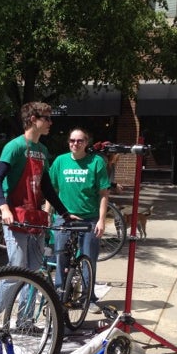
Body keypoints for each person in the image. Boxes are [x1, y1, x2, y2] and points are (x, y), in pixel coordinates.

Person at [0, 102, 70, 329]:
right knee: (17, 268)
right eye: (47, 118)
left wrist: (64, 212)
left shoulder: (42, 152)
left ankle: (25, 321)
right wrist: (4, 208)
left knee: (34, 273)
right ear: (33, 119)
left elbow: (46, 187)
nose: (51, 123)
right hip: (15, 216)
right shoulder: (14, 147)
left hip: (35, 219)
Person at [47, 128, 110, 314]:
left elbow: (104, 194)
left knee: (88, 260)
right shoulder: (60, 161)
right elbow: (52, 192)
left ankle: (88, 297)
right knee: (61, 258)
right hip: (64, 219)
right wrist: (47, 214)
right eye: (72, 140)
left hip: (88, 219)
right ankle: (60, 294)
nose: (75, 144)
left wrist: (101, 220)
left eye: (80, 140)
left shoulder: (96, 162)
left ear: (86, 142)